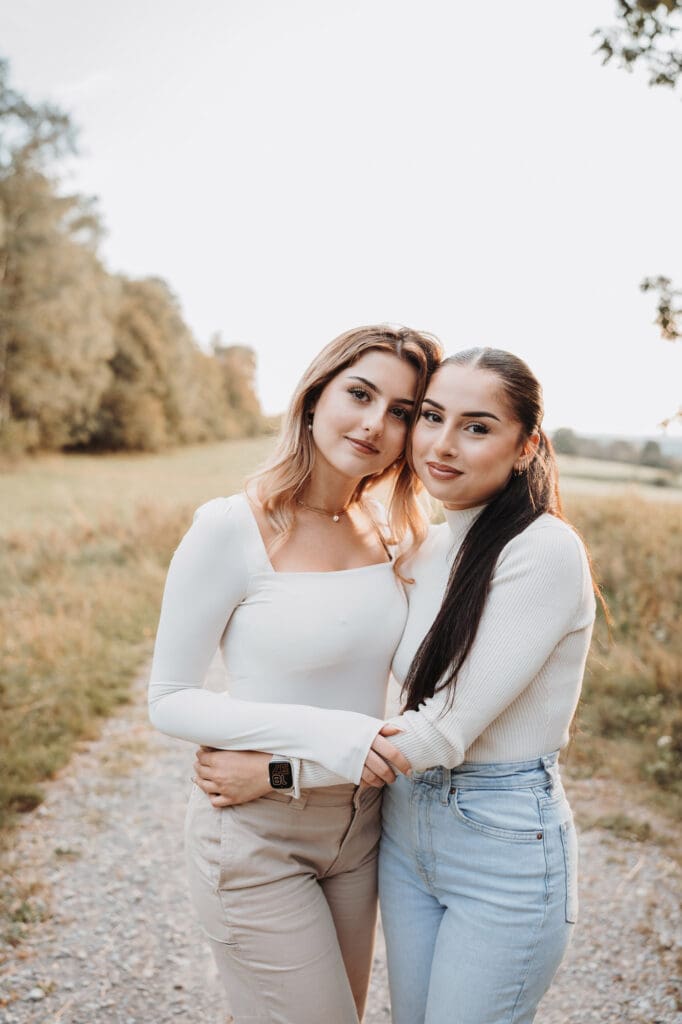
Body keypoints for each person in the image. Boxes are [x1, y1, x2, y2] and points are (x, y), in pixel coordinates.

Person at [196, 347, 601, 1024]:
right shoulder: (427, 549)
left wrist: (278, 771)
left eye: (477, 427)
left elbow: (441, 729)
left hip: (502, 841)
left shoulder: (545, 550)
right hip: (408, 831)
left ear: (527, 445)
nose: (442, 444)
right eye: (431, 417)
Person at [148, 324, 441, 1024]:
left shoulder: (394, 534)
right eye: (360, 394)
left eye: (401, 411)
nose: (375, 423)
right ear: (314, 397)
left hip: (363, 830)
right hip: (257, 834)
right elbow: (170, 700)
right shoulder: (230, 528)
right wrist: (330, 736)